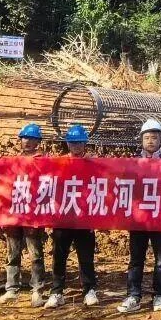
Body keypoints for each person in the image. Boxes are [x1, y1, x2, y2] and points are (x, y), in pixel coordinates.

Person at [119, 119, 161, 314]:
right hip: (139, 218)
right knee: (136, 259)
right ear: (141, 140)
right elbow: (124, 184)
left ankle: (160, 294)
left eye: (154, 137)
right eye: (147, 137)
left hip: (160, 217)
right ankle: (133, 295)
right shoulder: (133, 162)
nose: (150, 141)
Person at [44, 125, 99, 310]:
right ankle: (57, 292)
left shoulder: (92, 163)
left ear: (85, 144)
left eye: (80, 142)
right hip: (63, 216)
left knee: (86, 256)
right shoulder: (59, 163)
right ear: (68, 144)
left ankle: (89, 290)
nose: (76, 146)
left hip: (84, 217)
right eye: (73, 143)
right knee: (59, 256)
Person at [0, 122, 48, 306]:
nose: (28, 142)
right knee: (12, 253)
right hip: (14, 213)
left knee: (35, 254)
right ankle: (11, 288)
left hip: (32, 215)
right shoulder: (13, 161)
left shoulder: (44, 160)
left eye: (32, 139)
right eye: (25, 138)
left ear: (38, 142)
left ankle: (37, 290)